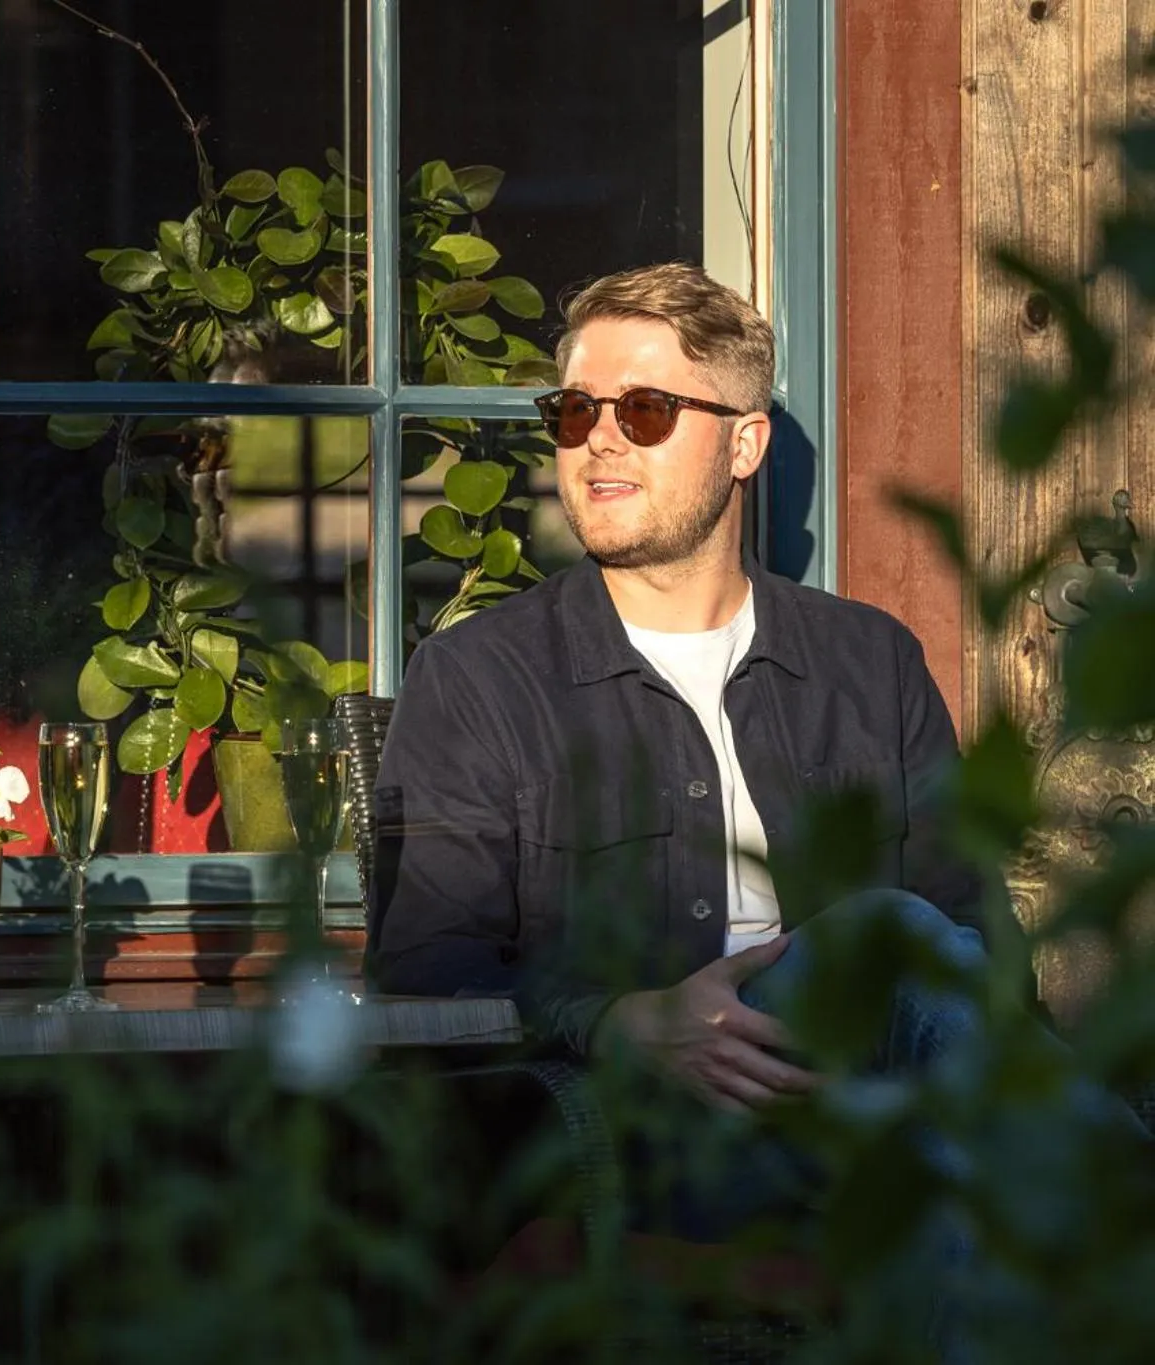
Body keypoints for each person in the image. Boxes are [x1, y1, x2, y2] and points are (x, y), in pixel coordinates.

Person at [366, 261, 1132, 1357]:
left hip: (873, 1112)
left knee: (910, 969)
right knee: (896, 949)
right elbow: (421, 966)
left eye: (642, 409)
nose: (597, 441)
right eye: (574, 410)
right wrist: (618, 1017)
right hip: (638, 1135)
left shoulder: (864, 661)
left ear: (742, 443)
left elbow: (976, 950)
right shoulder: (481, 680)